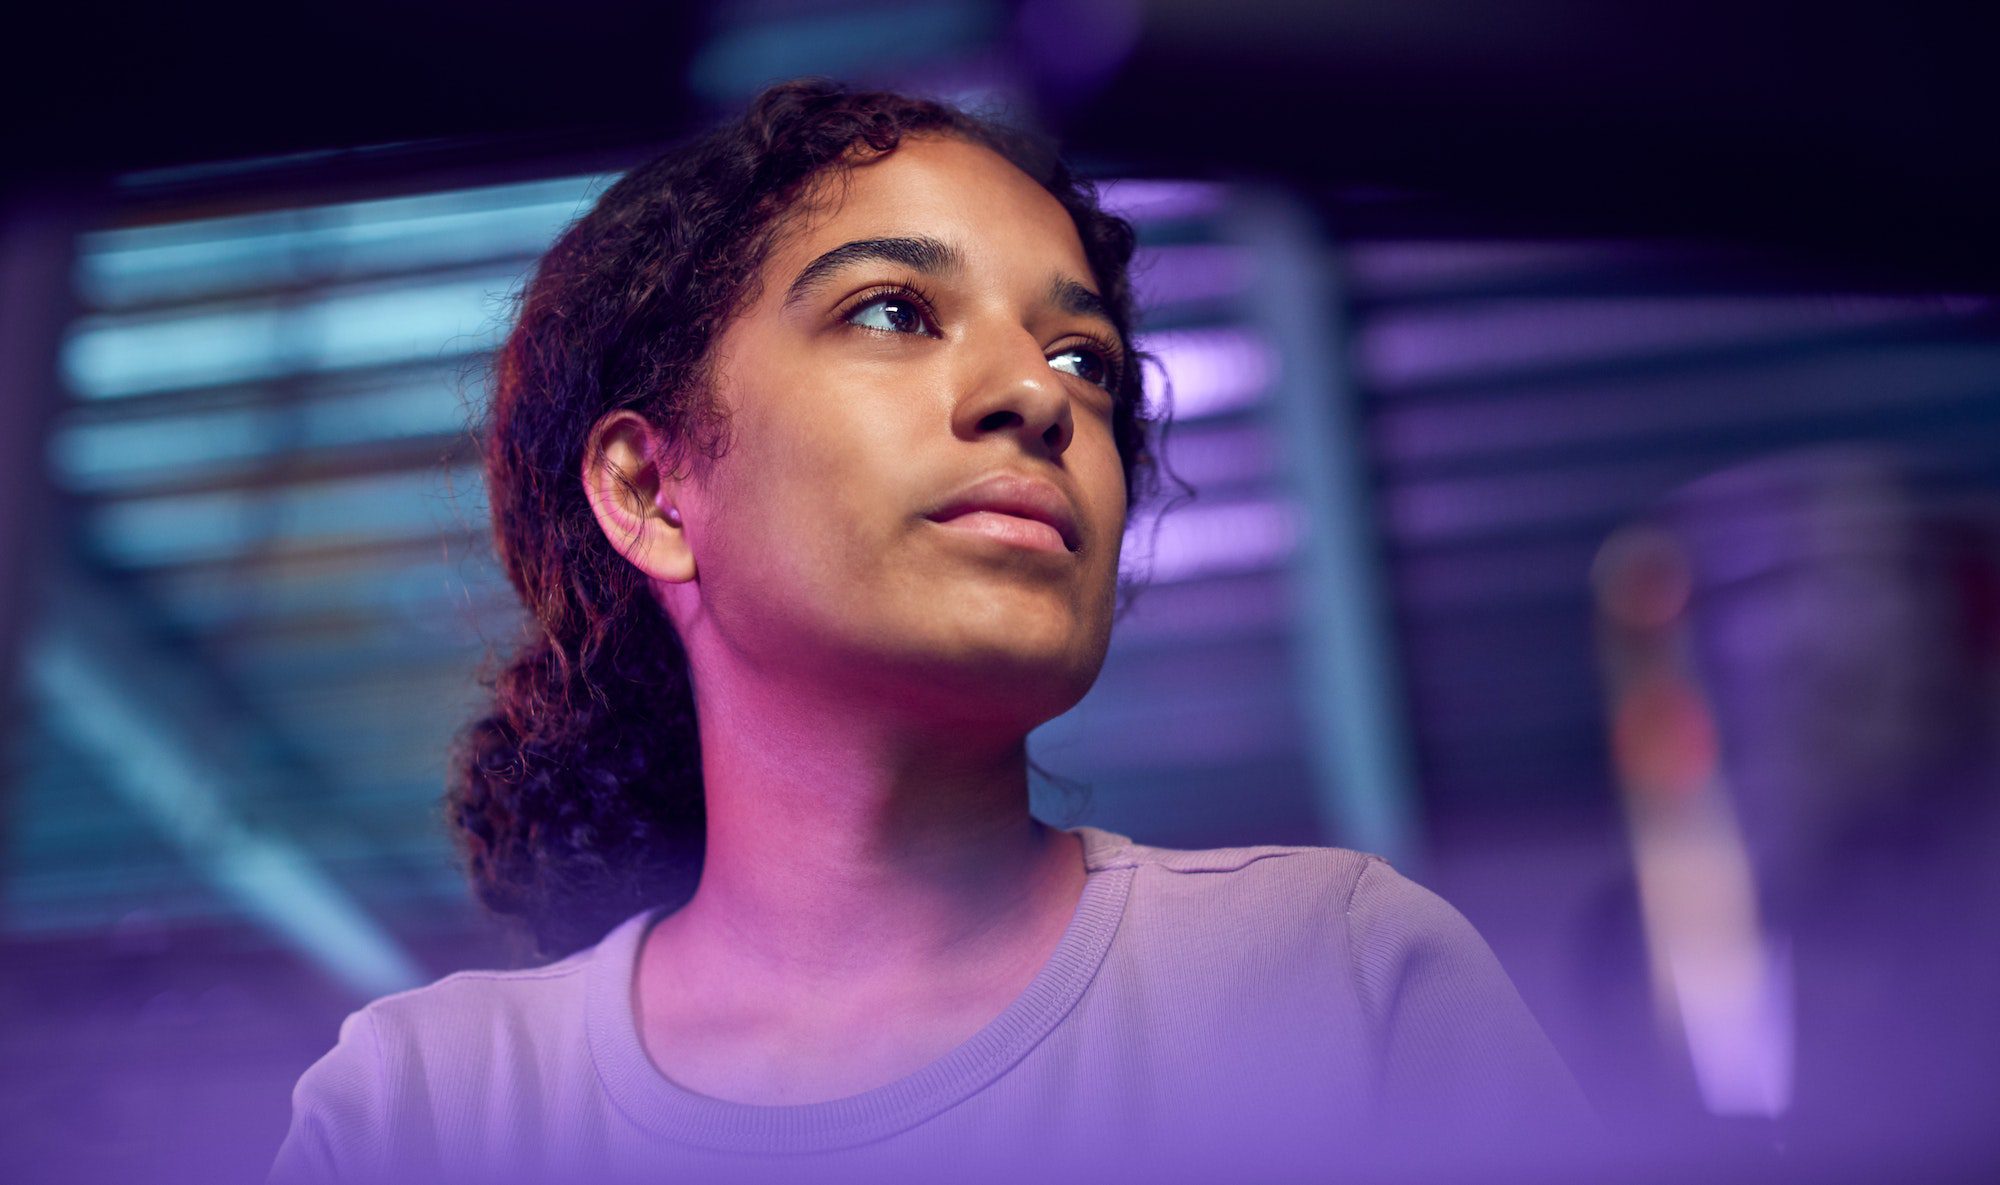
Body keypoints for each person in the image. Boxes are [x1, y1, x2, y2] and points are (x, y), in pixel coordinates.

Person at [269, 79, 1593, 1185]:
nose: (1037, 394)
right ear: (650, 491)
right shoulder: (426, 1113)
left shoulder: (1333, 981)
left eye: (1087, 359)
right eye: (893, 311)